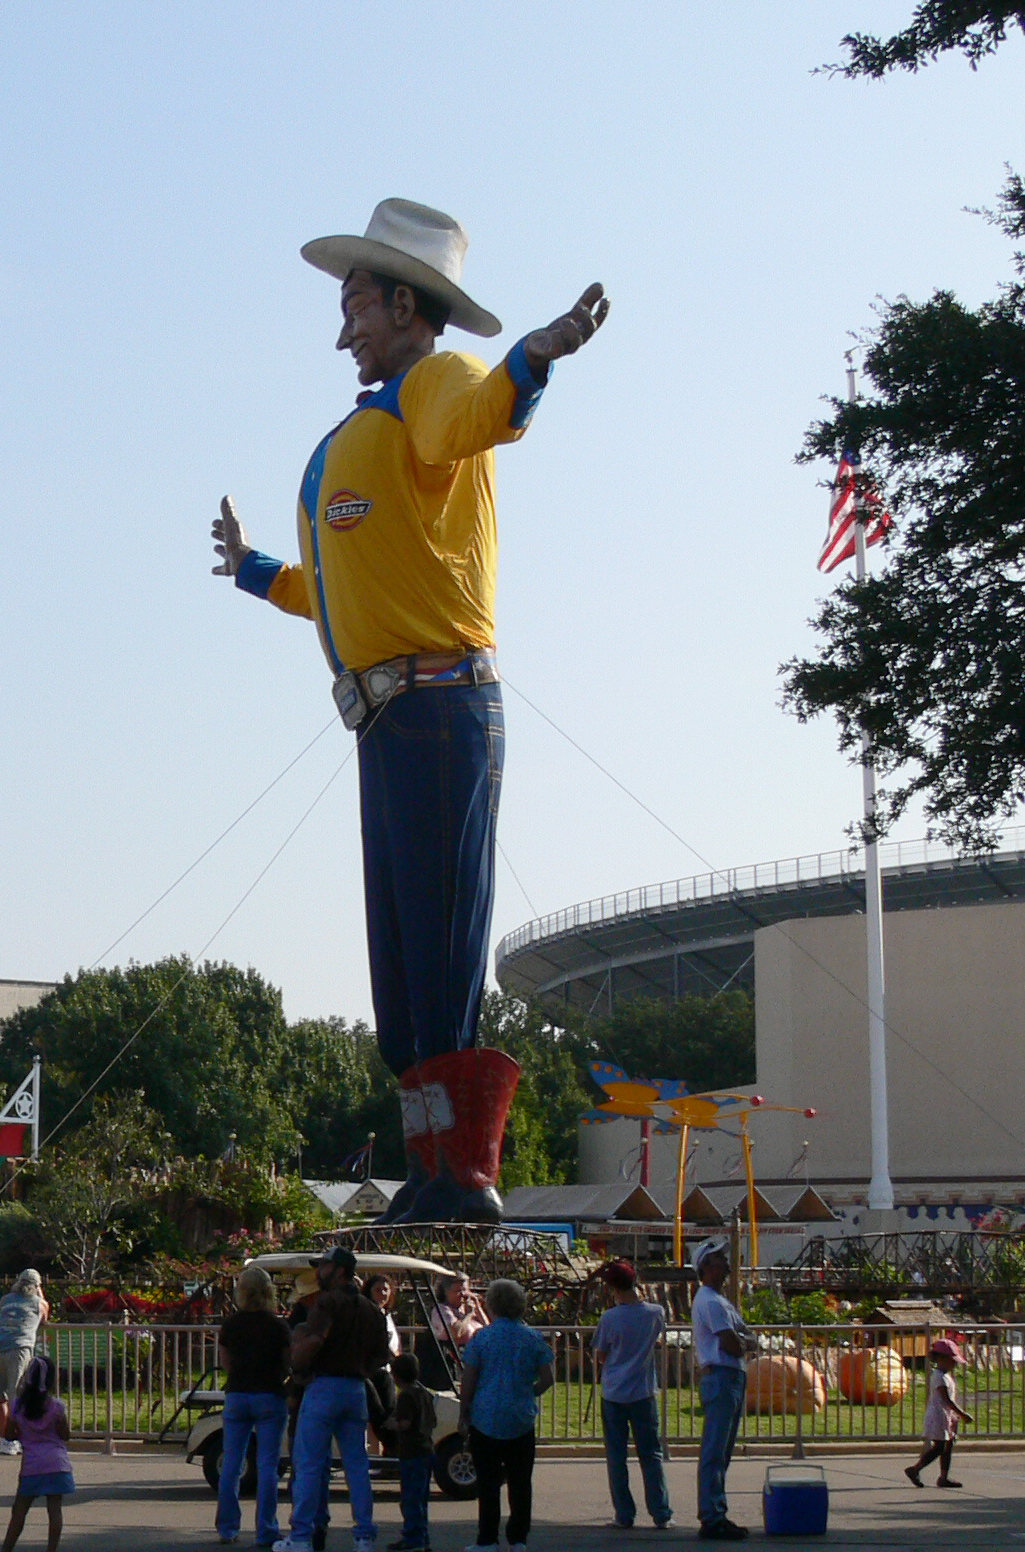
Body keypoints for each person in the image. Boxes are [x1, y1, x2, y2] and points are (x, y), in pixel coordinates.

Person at [210, 199, 608, 1225]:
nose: (344, 327)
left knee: (438, 951)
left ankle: (463, 1175)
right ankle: (432, 1163)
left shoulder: (436, 382)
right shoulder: (363, 428)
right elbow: (341, 587)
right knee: (401, 966)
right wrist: (256, 571)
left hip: (440, 705)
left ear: (403, 302)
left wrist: (534, 358)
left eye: (356, 304)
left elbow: (484, 416)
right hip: (386, 718)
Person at [285, 1245, 389, 1552]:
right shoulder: (371, 1309)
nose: (319, 1271)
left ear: (339, 1269)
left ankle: (302, 1535)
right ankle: (364, 1535)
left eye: (324, 1266)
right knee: (356, 1464)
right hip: (355, 1388)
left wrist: (298, 1362)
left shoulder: (327, 1302)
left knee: (309, 1464)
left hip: (324, 1386)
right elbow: (381, 1355)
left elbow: (316, 1340)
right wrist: (362, 1369)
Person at [456, 1278, 555, 1552]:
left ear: (492, 1303)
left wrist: (464, 1412)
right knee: (520, 1482)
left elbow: (470, 1378)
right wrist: (528, 1392)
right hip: (520, 1417)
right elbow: (547, 1378)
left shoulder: (482, 1338)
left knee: (488, 1482)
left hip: (485, 1416)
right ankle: (518, 1538)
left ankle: (487, 1539)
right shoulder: (533, 1337)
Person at [593, 1259, 674, 1531]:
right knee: (651, 1454)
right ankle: (661, 1513)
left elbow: (601, 1354)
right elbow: (658, 1339)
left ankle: (624, 1514)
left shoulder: (610, 1318)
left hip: (614, 1392)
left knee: (616, 1456)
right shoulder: (655, 1312)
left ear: (611, 1287)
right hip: (643, 1392)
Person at [218, 1265, 294, 1548]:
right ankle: (266, 1528)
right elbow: (288, 1361)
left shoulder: (231, 1325)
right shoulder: (277, 1325)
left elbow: (227, 1362)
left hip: (238, 1394)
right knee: (267, 1465)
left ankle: (227, 1527)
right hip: (269, 1395)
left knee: (232, 1462)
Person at [688, 1245, 752, 1542]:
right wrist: (744, 1343)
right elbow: (731, 1341)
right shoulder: (711, 1302)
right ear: (706, 1266)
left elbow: (743, 1336)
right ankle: (712, 1516)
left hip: (729, 1376)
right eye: (721, 1259)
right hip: (722, 1375)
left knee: (721, 1451)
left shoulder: (718, 1300)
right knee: (715, 1451)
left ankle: (716, 1511)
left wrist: (744, 1340)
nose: (727, 1263)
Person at [0, 1354, 72, 1552]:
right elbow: (65, 1435)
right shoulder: (56, 1406)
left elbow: (8, 1434)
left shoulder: (18, 1406)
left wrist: (22, 1433)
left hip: (32, 1465)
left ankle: (7, 1548)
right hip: (57, 1463)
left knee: (19, 1510)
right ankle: (51, 1549)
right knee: (54, 1510)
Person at [377, 1354, 439, 1552]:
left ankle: (413, 1538)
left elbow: (405, 1423)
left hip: (412, 1452)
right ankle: (422, 1537)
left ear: (396, 1376)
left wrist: (390, 1424)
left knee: (410, 1499)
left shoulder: (406, 1396)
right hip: (427, 1450)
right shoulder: (424, 1393)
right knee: (421, 1498)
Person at [0, 1268, 48, 1456]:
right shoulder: (38, 1302)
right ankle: (17, 1439)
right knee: (16, 1396)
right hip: (19, 1348)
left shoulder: (6, 1300)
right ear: (37, 1286)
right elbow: (44, 1319)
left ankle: (5, 1439)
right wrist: (40, 1293)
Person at [905, 1337, 972, 1489]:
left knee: (948, 1445)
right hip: (939, 1415)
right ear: (941, 1358)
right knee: (940, 1447)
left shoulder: (946, 1375)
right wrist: (962, 1414)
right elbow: (946, 1399)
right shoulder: (939, 1376)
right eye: (951, 1360)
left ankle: (943, 1476)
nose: (954, 1364)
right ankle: (915, 1469)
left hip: (946, 1414)